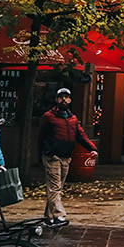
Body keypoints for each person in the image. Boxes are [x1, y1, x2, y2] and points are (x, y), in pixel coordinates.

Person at [38, 87, 97, 227]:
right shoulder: (49, 117)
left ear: (70, 100)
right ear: (57, 99)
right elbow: (40, 137)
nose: (64, 99)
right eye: (61, 97)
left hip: (66, 157)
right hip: (52, 156)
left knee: (57, 188)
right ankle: (59, 215)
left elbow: (81, 135)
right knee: (54, 187)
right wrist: (40, 155)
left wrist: (92, 148)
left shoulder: (72, 119)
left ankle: (48, 216)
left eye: (67, 97)